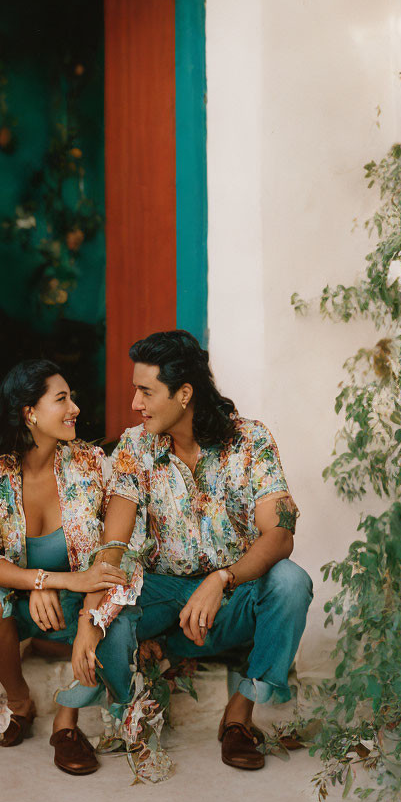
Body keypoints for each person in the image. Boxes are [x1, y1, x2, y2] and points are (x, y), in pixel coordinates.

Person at [105, 330, 313, 770]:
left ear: (184, 394)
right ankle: (130, 708)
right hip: (162, 597)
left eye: (145, 391)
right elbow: (115, 542)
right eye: (135, 390)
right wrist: (94, 607)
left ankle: (239, 715)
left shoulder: (251, 441)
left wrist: (223, 578)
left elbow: (280, 534)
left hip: (233, 599)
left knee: (291, 582)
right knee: (109, 602)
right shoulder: (134, 446)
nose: (134, 404)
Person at [0, 359, 141, 775]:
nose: (74, 408)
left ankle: (67, 722)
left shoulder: (89, 463)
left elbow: (113, 549)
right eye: (62, 399)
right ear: (29, 413)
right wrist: (42, 582)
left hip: (75, 604)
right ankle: (19, 701)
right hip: (23, 605)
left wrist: (77, 601)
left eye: (71, 398)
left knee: (119, 624)